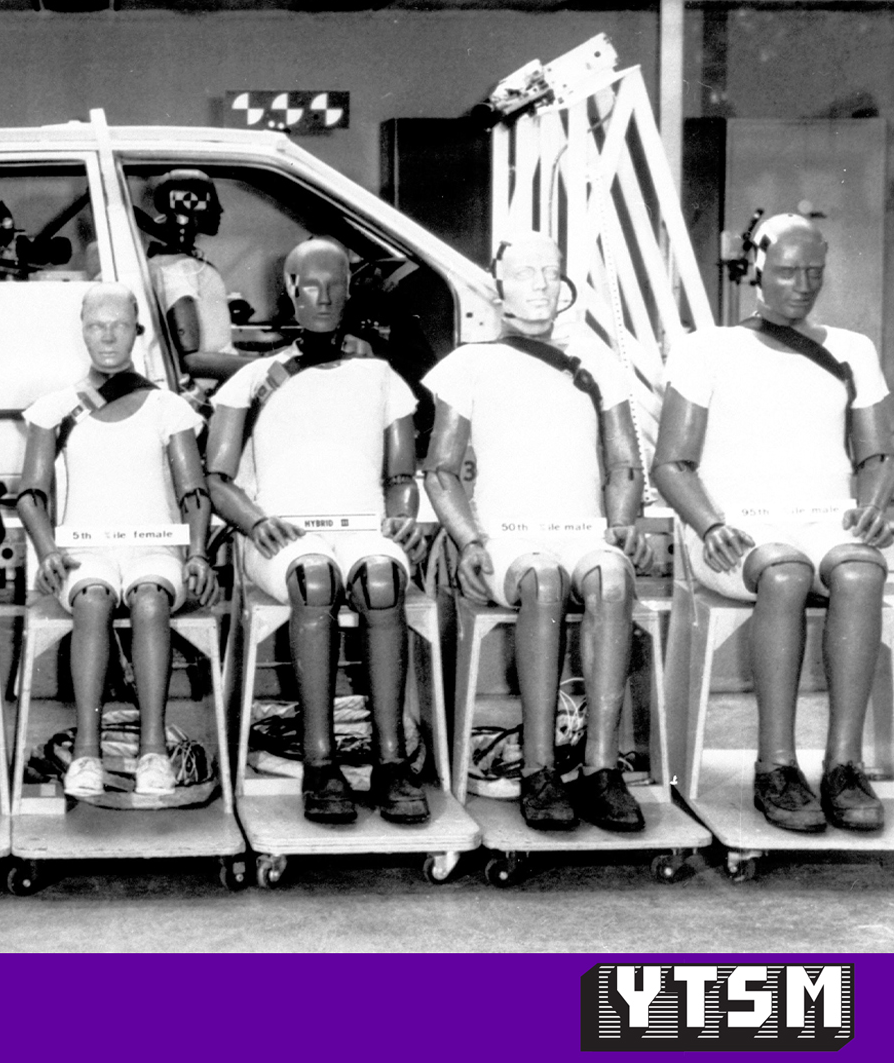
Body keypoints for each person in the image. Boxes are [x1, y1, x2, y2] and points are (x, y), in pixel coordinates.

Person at [653, 212, 893, 833]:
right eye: (787, 271)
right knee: (785, 574)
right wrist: (709, 525)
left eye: (814, 272)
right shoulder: (708, 349)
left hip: (823, 521)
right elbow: (671, 464)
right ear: (757, 269)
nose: (802, 285)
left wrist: (873, 507)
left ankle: (844, 766)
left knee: (863, 573)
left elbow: (877, 456)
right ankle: (776, 767)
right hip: (737, 529)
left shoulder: (853, 349)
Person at [423, 232, 652, 834]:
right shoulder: (468, 365)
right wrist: (470, 541)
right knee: (542, 581)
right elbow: (441, 470)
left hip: (580, 529)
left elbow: (624, 462)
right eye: (525, 273)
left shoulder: (597, 362)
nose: (541, 285)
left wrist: (623, 525)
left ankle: (601, 769)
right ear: (498, 288)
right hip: (506, 537)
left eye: (551, 272)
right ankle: (539, 770)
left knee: (611, 578)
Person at [206, 238, 429, 825]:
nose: (324, 298)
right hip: (282, 535)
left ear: (350, 292)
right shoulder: (252, 379)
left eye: (336, 286)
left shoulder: (381, 377)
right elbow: (218, 480)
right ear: (291, 290)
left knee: (381, 579)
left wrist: (403, 516)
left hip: (361, 527)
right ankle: (319, 762)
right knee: (314, 578)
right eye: (311, 286)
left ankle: (391, 761)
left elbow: (401, 475)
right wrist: (255, 520)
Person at [16, 283, 216, 799]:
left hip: (154, 549)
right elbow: (31, 494)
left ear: (137, 331)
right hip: (85, 552)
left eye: (119, 325)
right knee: (92, 599)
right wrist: (47, 550)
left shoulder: (167, 407)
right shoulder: (54, 409)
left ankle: (154, 750)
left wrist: (198, 553)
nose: (108, 336)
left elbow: (193, 491)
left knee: (150, 601)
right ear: (82, 332)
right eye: (96, 326)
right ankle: (86, 752)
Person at [147, 170, 254, 383]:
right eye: (210, 201)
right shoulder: (178, 270)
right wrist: (266, 367)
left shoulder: (180, 263)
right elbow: (193, 361)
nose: (220, 210)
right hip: (214, 390)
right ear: (184, 207)